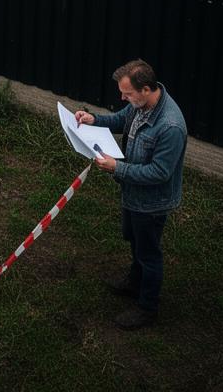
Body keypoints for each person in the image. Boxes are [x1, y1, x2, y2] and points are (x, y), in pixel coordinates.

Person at [75, 59, 187, 330]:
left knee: (149, 253)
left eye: (127, 94)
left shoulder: (170, 127)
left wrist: (118, 168)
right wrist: (94, 119)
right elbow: (121, 118)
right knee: (133, 238)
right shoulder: (141, 105)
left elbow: (160, 172)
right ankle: (134, 281)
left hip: (151, 203)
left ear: (146, 89)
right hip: (133, 195)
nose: (122, 97)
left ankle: (147, 307)